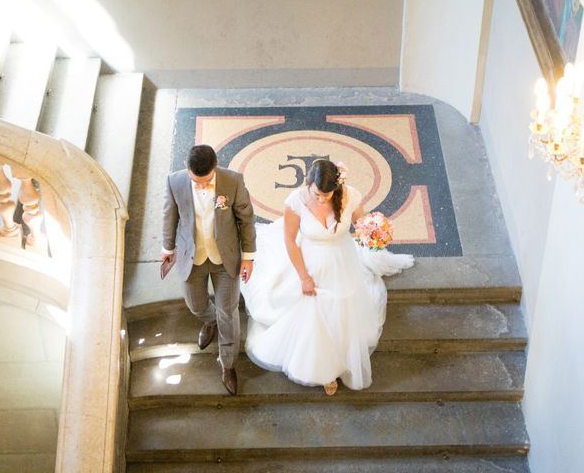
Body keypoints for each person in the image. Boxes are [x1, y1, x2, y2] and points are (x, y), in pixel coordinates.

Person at [241, 159, 413, 395]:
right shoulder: (296, 202)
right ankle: (324, 370)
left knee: (342, 309)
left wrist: (373, 233)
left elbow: (360, 224)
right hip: (310, 261)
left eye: (327, 194)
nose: (321, 199)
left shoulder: (349, 196)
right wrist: (303, 277)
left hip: (342, 260)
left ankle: (342, 360)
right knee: (314, 311)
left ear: (336, 187)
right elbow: (290, 241)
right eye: (317, 194)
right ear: (308, 184)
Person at [162, 144, 256, 395]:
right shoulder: (175, 182)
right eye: (197, 181)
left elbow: (246, 220)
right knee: (195, 304)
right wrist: (167, 247)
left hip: (225, 259)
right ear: (187, 168)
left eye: (207, 181)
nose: (202, 186)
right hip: (191, 257)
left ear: (215, 167)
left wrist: (248, 257)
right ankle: (210, 320)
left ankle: (228, 364)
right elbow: (170, 216)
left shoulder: (233, 181)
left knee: (229, 312)